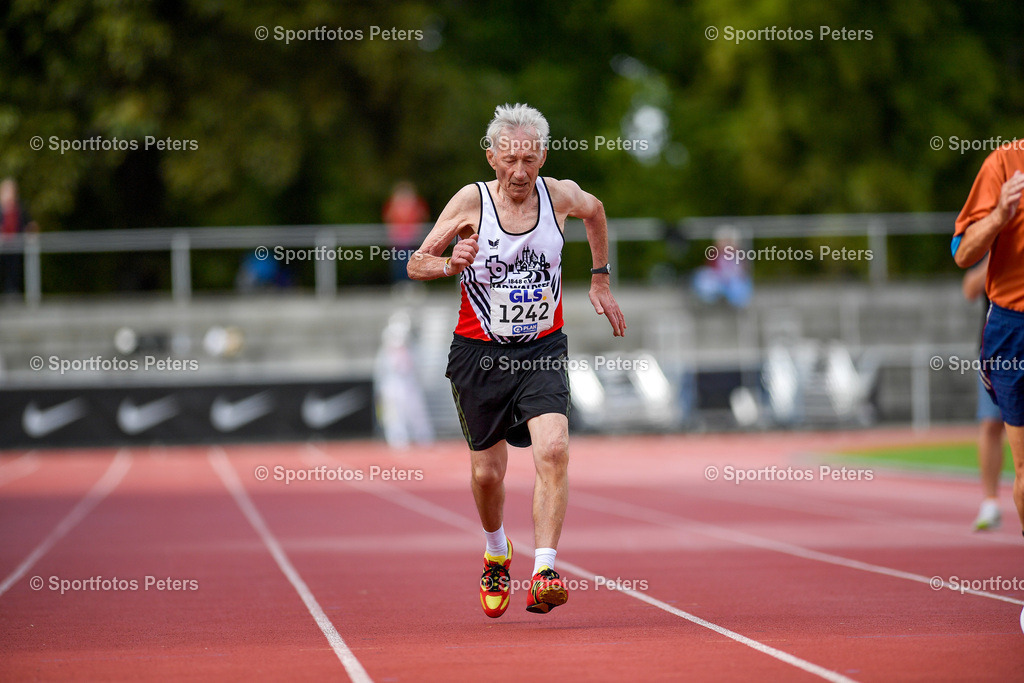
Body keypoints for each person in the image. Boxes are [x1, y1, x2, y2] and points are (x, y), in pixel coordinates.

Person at [408, 103, 626, 618]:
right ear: (492, 159)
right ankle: (496, 550)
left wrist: (600, 277)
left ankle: (545, 569)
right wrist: (446, 263)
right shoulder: (470, 202)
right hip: (479, 355)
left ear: (544, 156)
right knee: (488, 474)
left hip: (541, 348)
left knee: (553, 449)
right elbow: (416, 263)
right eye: (510, 160)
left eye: (530, 159)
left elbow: (595, 212)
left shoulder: (560, 196)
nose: (521, 172)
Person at [952, 142, 1024, 542]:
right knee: (994, 431)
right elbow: (963, 257)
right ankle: (989, 501)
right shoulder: (1003, 162)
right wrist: (1000, 215)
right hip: (1012, 333)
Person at [962, 254, 1006, 530]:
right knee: (991, 423)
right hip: (995, 354)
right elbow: (970, 289)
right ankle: (990, 502)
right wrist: (994, 258)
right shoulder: (994, 250)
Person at [692, 225, 752, 308]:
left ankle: (733, 302)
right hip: (719, 282)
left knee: (738, 286)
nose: (726, 244)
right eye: (724, 241)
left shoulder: (739, 255)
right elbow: (711, 270)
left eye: (729, 241)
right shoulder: (714, 255)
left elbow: (741, 272)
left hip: (732, 283)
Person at [383, 181, 430, 283]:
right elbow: (388, 219)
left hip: (413, 239)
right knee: (399, 264)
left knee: (415, 262)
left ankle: (414, 283)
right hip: (398, 240)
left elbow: (423, 216)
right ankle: (400, 283)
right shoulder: (392, 205)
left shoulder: (416, 204)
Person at [0, 178, 39, 295]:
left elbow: (29, 224)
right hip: (2, 246)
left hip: (16, 246)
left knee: (14, 270)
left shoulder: (20, 208)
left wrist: (31, 232)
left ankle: (12, 292)